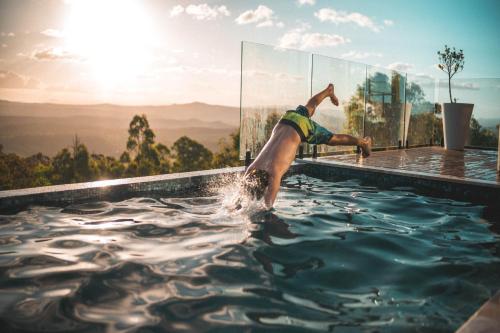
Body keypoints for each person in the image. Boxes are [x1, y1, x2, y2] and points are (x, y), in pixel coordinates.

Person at [243, 83, 372, 209]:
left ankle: (363, 142)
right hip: (287, 119)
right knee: (309, 107)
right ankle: (328, 91)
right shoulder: (252, 168)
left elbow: (268, 207)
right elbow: (245, 184)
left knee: (333, 139)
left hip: (302, 129)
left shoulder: (274, 175)